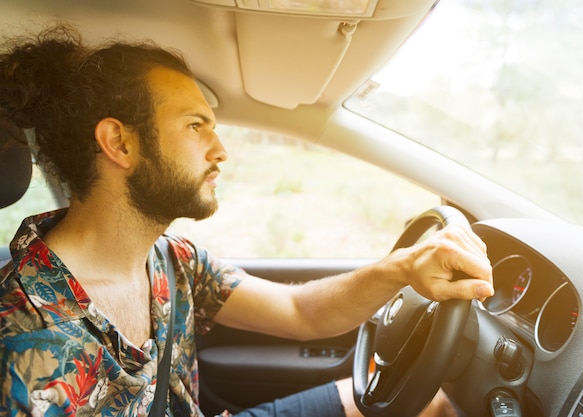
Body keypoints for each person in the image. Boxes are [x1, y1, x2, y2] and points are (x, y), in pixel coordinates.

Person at [0, 24, 494, 417]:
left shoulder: (173, 260)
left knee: (431, 403)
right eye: (196, 126)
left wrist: (401, 270)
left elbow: (303, 313)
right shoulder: (24, 339)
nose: (221, 152)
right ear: (120, 143)